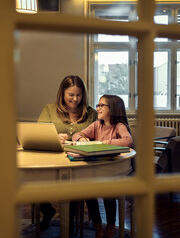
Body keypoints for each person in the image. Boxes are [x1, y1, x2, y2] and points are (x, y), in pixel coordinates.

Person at [37, 75, 97, 232]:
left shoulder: (91, 113)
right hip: (51, 160)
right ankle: (47, 210)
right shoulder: (49, 109)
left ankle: (68, 229)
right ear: (62, 93)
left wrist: (86, 139)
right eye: (71, 95)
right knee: (31, 180)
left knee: (73, 186)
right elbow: (38, 134)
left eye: (79, 95)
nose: (75, 99)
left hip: (80, 162)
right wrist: (54, 138)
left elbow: (99, 137)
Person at [72, 94, 134, 238]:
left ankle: (111, 226)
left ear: (112, 109)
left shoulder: (119, 126)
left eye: (101, 105)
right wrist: (81, 138)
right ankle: (98, 225)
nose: (98, 108)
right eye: (98, 105)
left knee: (108, 193)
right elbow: (76, 135)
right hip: (96, 171)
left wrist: (105, 143)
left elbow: (128, 141)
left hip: (112, 172)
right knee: (88, 192)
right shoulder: (96, 125)